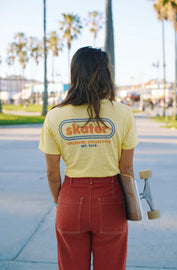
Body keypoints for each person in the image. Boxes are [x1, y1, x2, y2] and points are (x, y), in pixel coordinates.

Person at [39, 46, 138, 270]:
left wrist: (59, 201)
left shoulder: (55, 116)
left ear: (75, 75)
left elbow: (52, 172)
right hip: (111, 199)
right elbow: (127, 169)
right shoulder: (123, 113)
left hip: (71, 199)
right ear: (106, 75)